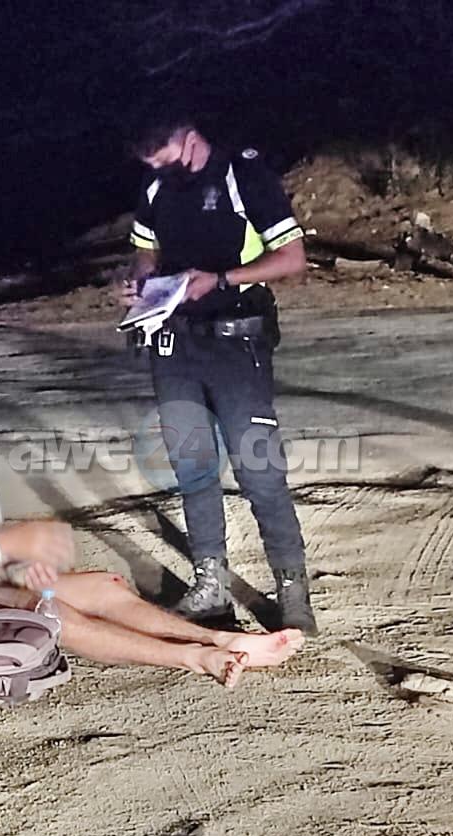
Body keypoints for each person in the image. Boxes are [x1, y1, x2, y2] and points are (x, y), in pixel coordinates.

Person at [0, 341, 305, 688]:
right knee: (48, 607)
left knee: (105, 586)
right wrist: (9, 546)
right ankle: (196, 659)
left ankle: (217, 640)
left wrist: (17, 563)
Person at [119, 116, 317, 633]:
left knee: (259, 470)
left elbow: (292, 259)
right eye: (151, 165)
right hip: (172, 342)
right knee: (192, 468)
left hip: (236, 340)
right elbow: (145, 252)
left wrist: (222, 279)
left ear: (189, 139)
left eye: (164, 160)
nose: (159, 171)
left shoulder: (243, 175)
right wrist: (139, 284)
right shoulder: (157, 185)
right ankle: (211, 586)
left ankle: (292, 590)